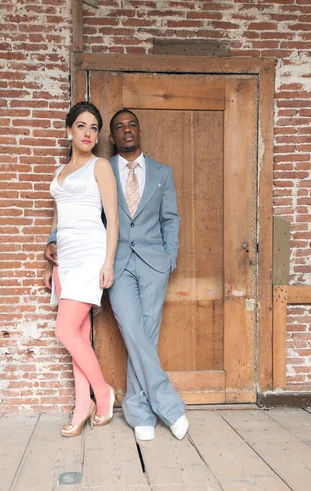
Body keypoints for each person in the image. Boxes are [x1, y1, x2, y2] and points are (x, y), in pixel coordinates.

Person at [107, 109, 189, 442]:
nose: (126, 130)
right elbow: (81, 210)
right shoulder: (102, 171)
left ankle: (139, 411)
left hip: (154, 263)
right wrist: (55, 238)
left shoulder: (162, 173)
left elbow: (171, 219)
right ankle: (169, 406)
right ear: (112, 137)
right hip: (117, 263)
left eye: (131, 125)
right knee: (133, 331)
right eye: (118, 127)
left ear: (139, 131)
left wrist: (170, 258)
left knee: (147, 334)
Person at [44, 102, 118, 437]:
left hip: (90, 254)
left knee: (64, 331)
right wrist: (49, 246)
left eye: (93, 128)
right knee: (78, 335)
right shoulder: (59, 173)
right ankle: (81, 405)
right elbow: (58, 218)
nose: (88, 133)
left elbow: (112, 219)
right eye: (81, 126)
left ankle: (102, 394)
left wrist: (108, 262)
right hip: (66, 259)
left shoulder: (100, 166)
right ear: (69, 130)